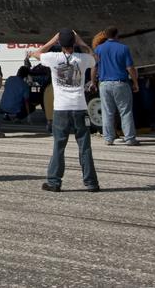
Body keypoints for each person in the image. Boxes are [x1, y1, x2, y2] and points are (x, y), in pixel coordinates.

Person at [32, 29, 100, 192]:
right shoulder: (83, 59)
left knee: (59, 146)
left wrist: (52, 40)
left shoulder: (53, 58)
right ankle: (91, 183)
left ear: (60, 44)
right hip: (80, 107)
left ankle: (54, 182)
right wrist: (82, 43)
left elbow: (35, 53)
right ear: (74, 43)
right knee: (84, 146)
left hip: (61, 109)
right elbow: (95, 58)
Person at [94, 26, 140, 146]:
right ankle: (130, 138)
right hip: (120, 83)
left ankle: (109, 138)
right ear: (117, 35)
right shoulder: (123, 48)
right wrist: (135, 82)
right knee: (125, 112)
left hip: (104, 84)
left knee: (107, 112)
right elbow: (130, 67)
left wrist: (93, 82)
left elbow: (95, 67)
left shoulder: (98, 49)